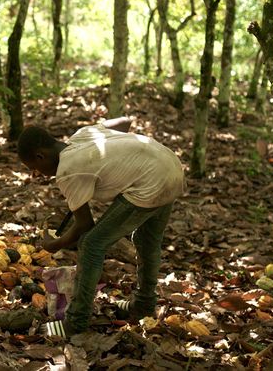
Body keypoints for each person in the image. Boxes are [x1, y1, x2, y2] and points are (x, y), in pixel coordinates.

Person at [17, 118, 185, 337]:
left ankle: (76, 322)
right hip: (169, 165)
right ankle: (144, 304)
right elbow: (124, 122)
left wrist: (53, 244)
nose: (36, 174)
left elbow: (84, 226)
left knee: (91, 244)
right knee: (147, 241)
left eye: (34, 168)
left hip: (150, 183)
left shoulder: (68, 171)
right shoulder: (83, 134)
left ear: (41, 156)